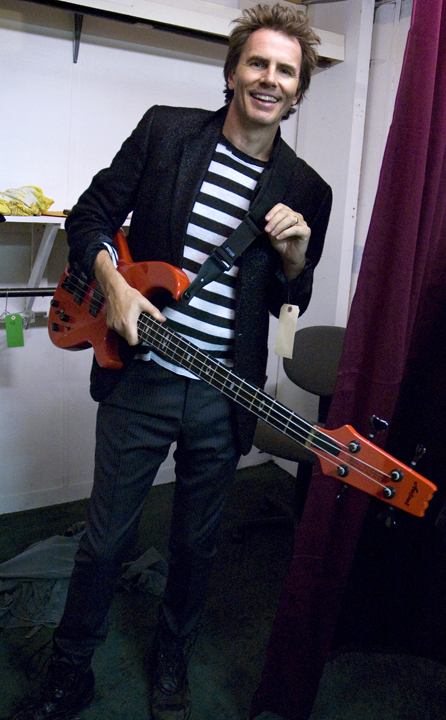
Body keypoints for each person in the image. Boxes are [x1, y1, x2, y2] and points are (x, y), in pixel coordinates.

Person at [11, 4, 332, 720]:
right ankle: (69, 672)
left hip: (225, 391)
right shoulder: (165, 132)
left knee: (196, 545)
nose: (270, 79)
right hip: (143, 376)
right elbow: (89, 215)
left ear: (299, 89)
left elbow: (291, 301)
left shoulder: (308, 190)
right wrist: (115, 285)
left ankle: (171, 658)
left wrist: (296, 260)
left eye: (285, 71)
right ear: (233, 71)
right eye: (257, 62)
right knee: (105, 543)